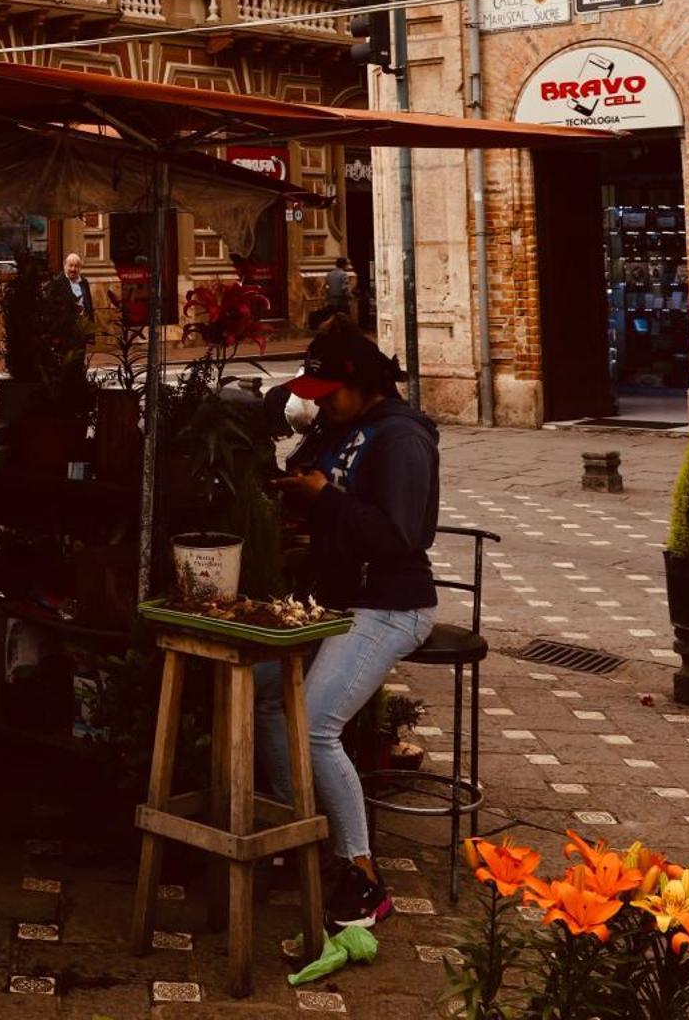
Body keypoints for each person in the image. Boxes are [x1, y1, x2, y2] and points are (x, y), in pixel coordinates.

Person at [255, 320, 438, 933]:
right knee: (263, 692)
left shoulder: (401, 439)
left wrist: (325, 499)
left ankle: (361, 874)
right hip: (332, 599)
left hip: (388, 604)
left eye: (329, 392)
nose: (320, 403)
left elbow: (401, 535)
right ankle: (296, 826)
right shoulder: (344, 428)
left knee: (316, 724)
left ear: (364, 386)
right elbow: (315, 477)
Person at [49, 251, 96, 328]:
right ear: (65, 266)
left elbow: (89, 306)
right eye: (70, 265)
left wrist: (91, 327)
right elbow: (52, 308)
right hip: (65, 328)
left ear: (80, 267)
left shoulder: (84, 282)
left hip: (84, 326)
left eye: (76, 266)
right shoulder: (57, 282)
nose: (73, 269)